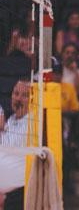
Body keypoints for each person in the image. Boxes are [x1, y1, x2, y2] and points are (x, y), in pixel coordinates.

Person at [0, 80, 30, 210]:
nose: (18, 98)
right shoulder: (9, 121)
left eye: (25, 95)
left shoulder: (33, 123)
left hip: (20, 196)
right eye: (16, 93)